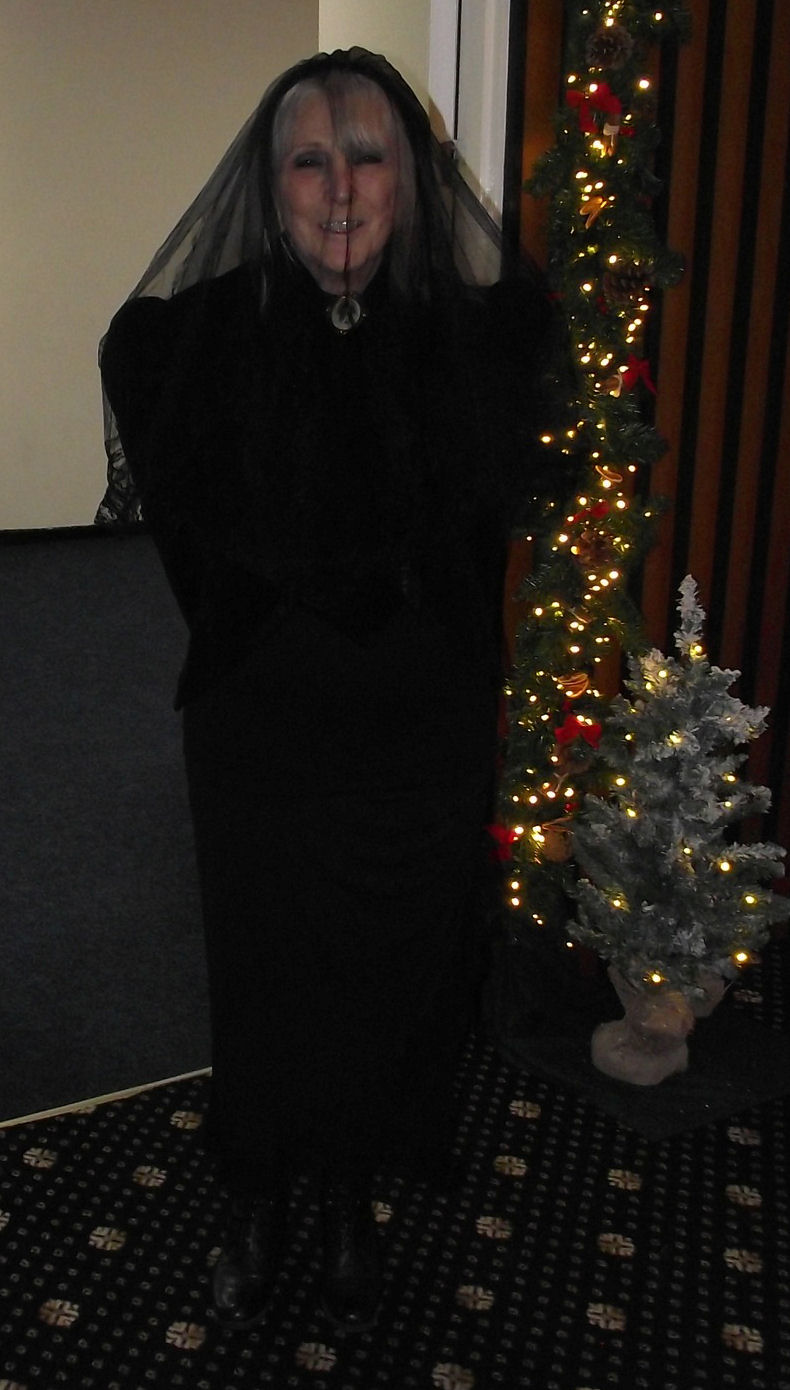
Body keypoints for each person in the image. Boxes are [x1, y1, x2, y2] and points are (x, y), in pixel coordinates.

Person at [99, 46, 562, 1334]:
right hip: (266, 721)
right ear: (271, 183)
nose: (342, 189)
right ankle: (257, 1193)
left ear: (412, 180)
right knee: (269, 967)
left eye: (369, 157)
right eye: (311, 161)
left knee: (392, 972)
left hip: (420, 728)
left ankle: (351, 1190)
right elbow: (172, 474)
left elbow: (476, 535)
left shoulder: (471, 341)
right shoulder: (203, 339)